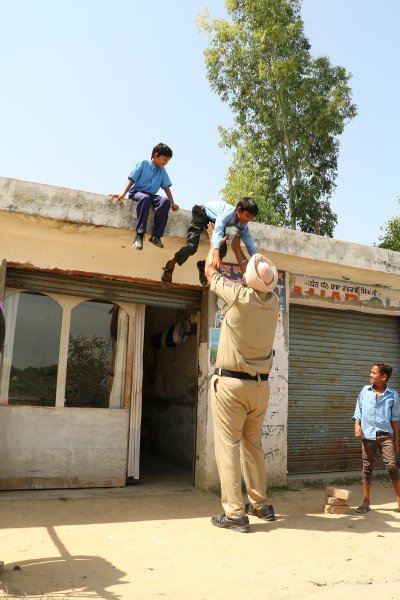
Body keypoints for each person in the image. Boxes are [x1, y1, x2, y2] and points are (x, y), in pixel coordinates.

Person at [205, 224, 279, 533]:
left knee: (228, 446)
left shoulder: (235, 296)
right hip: (260, 389)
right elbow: (255, 277)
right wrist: (238, 249)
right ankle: (260, 505)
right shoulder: (273, 302)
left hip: (231, 387)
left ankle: (234, 513)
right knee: (253, 445)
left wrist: (215, 240)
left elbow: (211, 271)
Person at [161, 197, 258, 286]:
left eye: (251, 218)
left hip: (214, 221)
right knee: (191, 247)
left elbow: (248, 240)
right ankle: (170, 264)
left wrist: (257, 259)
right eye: (247, 216)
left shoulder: (242, 223)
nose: (248, 220)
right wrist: (215, 253)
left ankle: (203, 265)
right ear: (239, 210)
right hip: (201, 212)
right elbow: (219, 230)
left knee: (223, 251)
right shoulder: (227, 213)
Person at [112, 142, 179, 250]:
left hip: (151, 195)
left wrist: (172, 203)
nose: (166, 163)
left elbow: (166, 187)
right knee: (145, 198)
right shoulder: (143, 164)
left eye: (168, 161)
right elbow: (131, 179)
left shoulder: (162, 171)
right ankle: (139, 235)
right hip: (137, 193)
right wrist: (123, 193)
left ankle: (156, 236)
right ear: (156, 155)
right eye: (165, 159)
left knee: (164, 201)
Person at [353, 362, 400, 514]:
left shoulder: (393, 395)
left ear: (384, 377)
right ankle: (366, 502)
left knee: (392, 466)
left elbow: (394, 419)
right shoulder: (365, 391)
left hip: (386, 436)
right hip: (367, 436)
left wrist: (396, 440)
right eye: (371, 372)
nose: (370, 375)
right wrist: (357, 426)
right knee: (367, 468)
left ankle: (399, 497)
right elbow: (358, 412)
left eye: (374, 373)